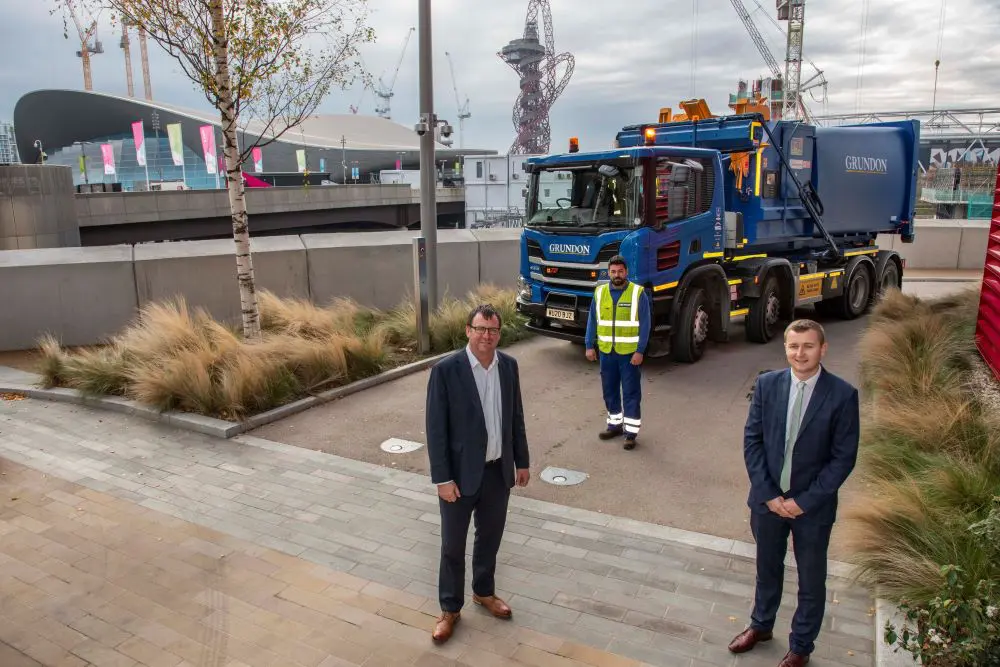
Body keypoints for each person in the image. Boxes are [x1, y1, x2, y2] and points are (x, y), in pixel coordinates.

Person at [729, 319, 860, 667]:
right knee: (767, 568)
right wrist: (769, 494)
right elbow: (752, 442)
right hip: (767, 502)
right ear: (785, 348)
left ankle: (801, 645)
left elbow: (843, 458)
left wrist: (804, 501)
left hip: (812, 508)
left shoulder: (843, 395)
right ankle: (761, 626)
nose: (800, 353)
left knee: (811, 579)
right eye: (793, 346)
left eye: (808, 346)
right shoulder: (767, 385)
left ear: (823, 348)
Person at [425, 304, 531, 644]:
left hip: (497, 473)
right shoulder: (446, 371)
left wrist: (522, 461)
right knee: (452, 546)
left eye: (493, 330)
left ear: (499, 333)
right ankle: (449, 609)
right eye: (481, 329)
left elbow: (515, 417)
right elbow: (436, 430)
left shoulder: (509, 367)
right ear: (468, 330)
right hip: (458, 477)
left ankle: (483, 592)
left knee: (490, 538)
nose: (487, 336)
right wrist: (442, 479)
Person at [584, 254, 651, 450]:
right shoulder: (600, 292)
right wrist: (589, 345)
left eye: (620, 271)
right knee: (609, 391)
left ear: (626, 272)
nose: (617, 275)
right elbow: (592, 321)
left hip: (629, 355)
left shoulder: (638, 293)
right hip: (606, 352)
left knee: (631, 393)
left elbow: (645, 325)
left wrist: (640, 351)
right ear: (609, 273)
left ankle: (630, 433)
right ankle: (614, 425)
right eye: (613, 272)